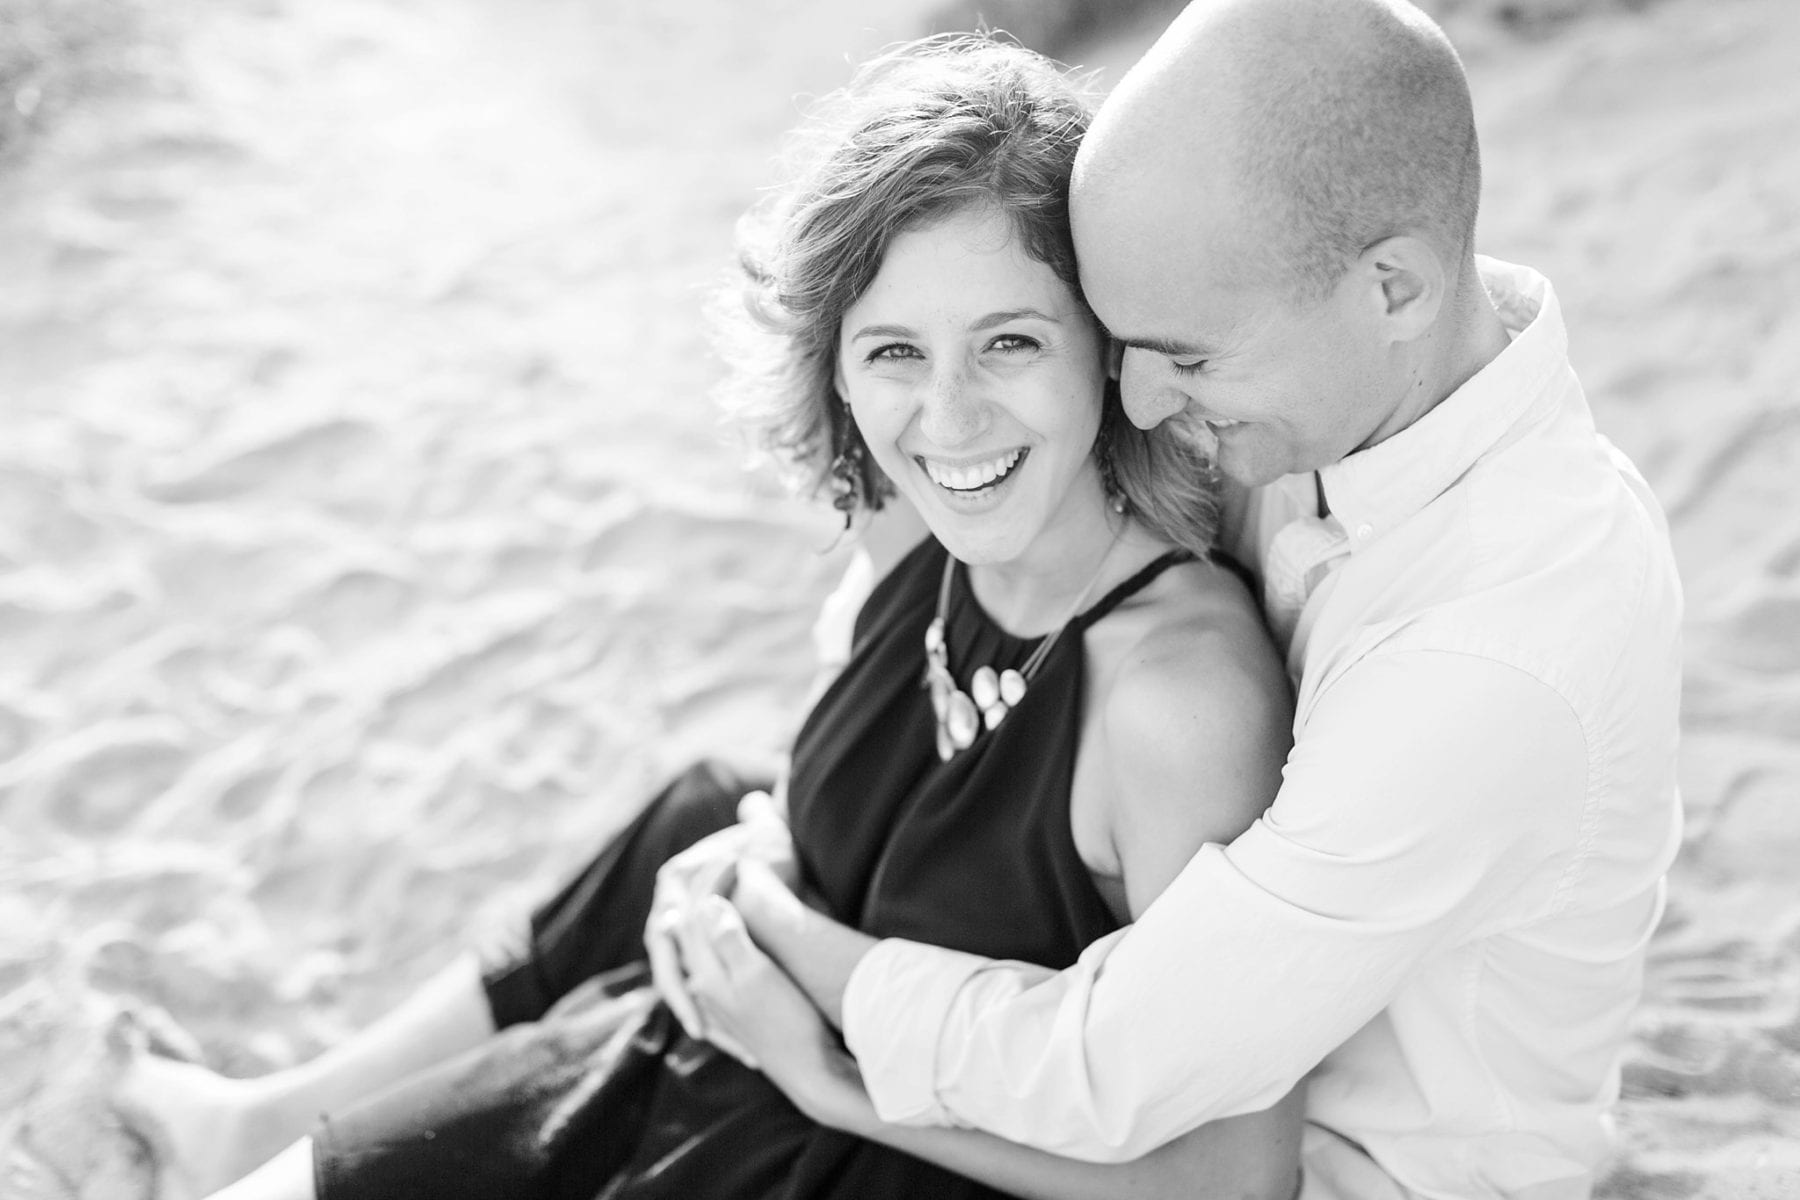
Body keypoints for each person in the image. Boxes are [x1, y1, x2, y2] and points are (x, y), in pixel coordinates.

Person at [114, 34, 1308, 1200]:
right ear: (837, 368)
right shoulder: (913, 524)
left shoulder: (1176, 698)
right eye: (894, 350)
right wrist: (760, 861)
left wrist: (829, 1072)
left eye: (1009, 342)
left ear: (1106, 348)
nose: (950, 420)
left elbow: (1226, 1174)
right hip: (675, 1060)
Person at [690, 1, 1685, 1197]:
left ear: (1395, 290)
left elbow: (1121, 1061)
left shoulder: (1496, 655)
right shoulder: (1341, 371)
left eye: (1191, 359)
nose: (1145, 403)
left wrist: (792, 955)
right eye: (1126, 346)